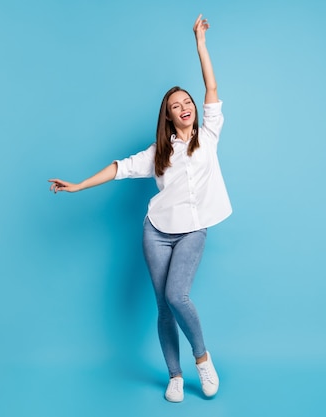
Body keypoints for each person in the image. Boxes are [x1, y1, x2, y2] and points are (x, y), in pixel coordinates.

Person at [48, 14, 231, 403]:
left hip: (193, 229)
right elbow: (119, 168)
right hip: (156, 230)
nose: (183, 107)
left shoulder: (209, 136)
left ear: (195, 109)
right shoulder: (158, 153)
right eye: (174, 105)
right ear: (167, 116)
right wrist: (79, 185)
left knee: (178, 296)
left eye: (187, 102)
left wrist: (199, 43)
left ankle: (202, 360)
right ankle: (175, 376)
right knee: (163, 305)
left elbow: (211, 85)